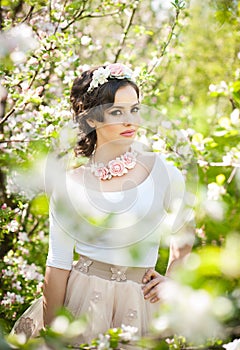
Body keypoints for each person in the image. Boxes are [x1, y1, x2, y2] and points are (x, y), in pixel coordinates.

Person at [11, 63, 195, 348]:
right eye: (117, 112)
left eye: (135, 109)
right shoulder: (69, 184)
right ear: (92, 119)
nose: (130, 121)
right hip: (81, 302)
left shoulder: (163, 171)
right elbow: (57, 264)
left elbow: (184, 234)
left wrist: (173, 280)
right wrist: (53, 335)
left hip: (140, 303)